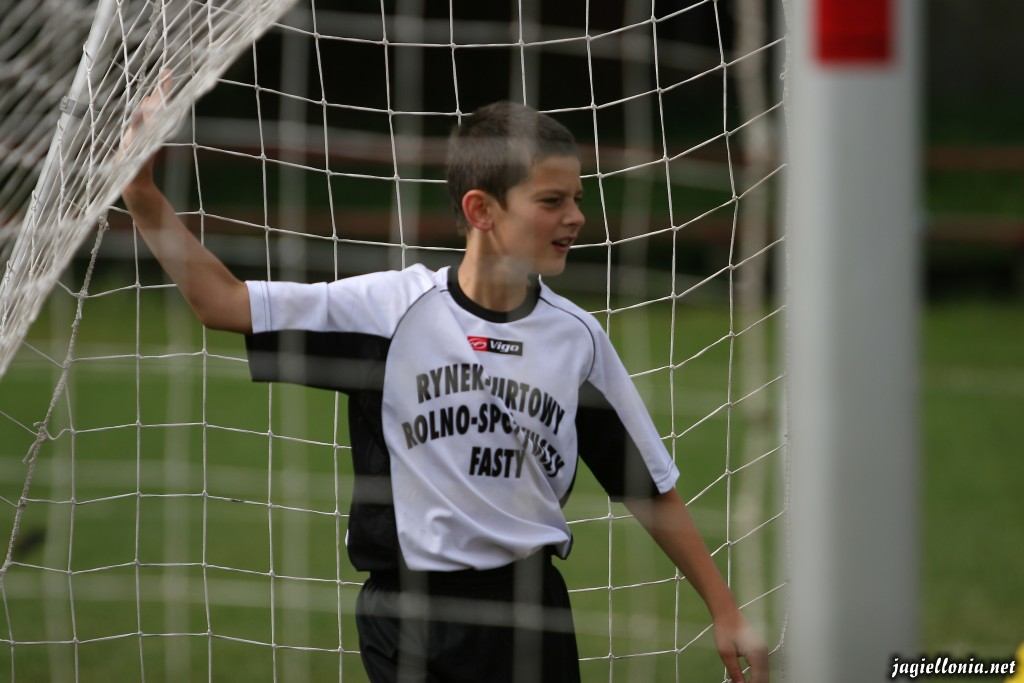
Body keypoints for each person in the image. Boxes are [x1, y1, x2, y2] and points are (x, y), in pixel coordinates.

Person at [122, 97, 769, 683]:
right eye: (551, 201)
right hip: (408, 618)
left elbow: (648, 485)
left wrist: (725, 609)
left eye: (577, 198)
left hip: (531, 617)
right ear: (480, 210)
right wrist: (143, 194)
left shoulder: (578, 339)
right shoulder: (388, 310)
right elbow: (222, 302)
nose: (575, 217)